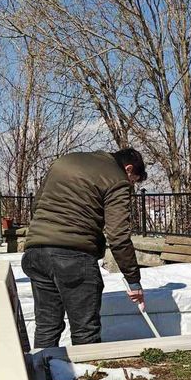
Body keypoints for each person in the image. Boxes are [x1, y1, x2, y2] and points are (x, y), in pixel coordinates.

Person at [22, 148, 147, 348]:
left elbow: (37, 204)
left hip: (36, 252)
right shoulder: (117, 179)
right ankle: (87, 368)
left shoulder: (64, 161)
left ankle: (42, 366)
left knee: (47, 326)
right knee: (85, 331)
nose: (131, 186)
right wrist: (133, 281)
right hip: (74, 257)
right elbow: (118, 236)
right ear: (129, 169)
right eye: (133, 181)